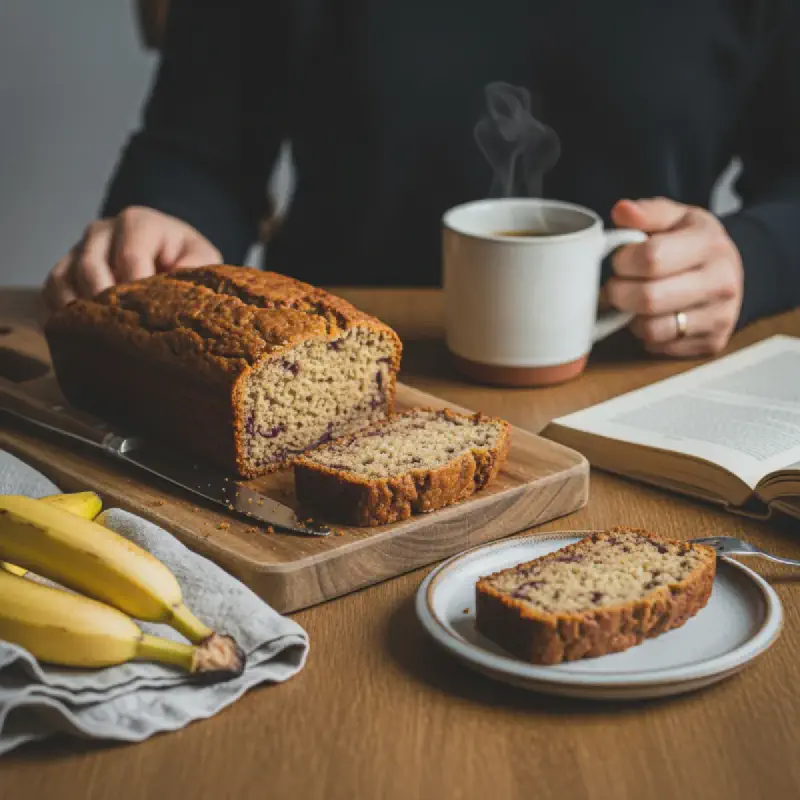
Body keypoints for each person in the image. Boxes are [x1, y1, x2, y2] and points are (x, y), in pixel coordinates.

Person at [45, 0, 800, 358]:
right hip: (325, 365)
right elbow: (197, 151)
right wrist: (163, 221)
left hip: (644, 374)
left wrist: (749, 256)